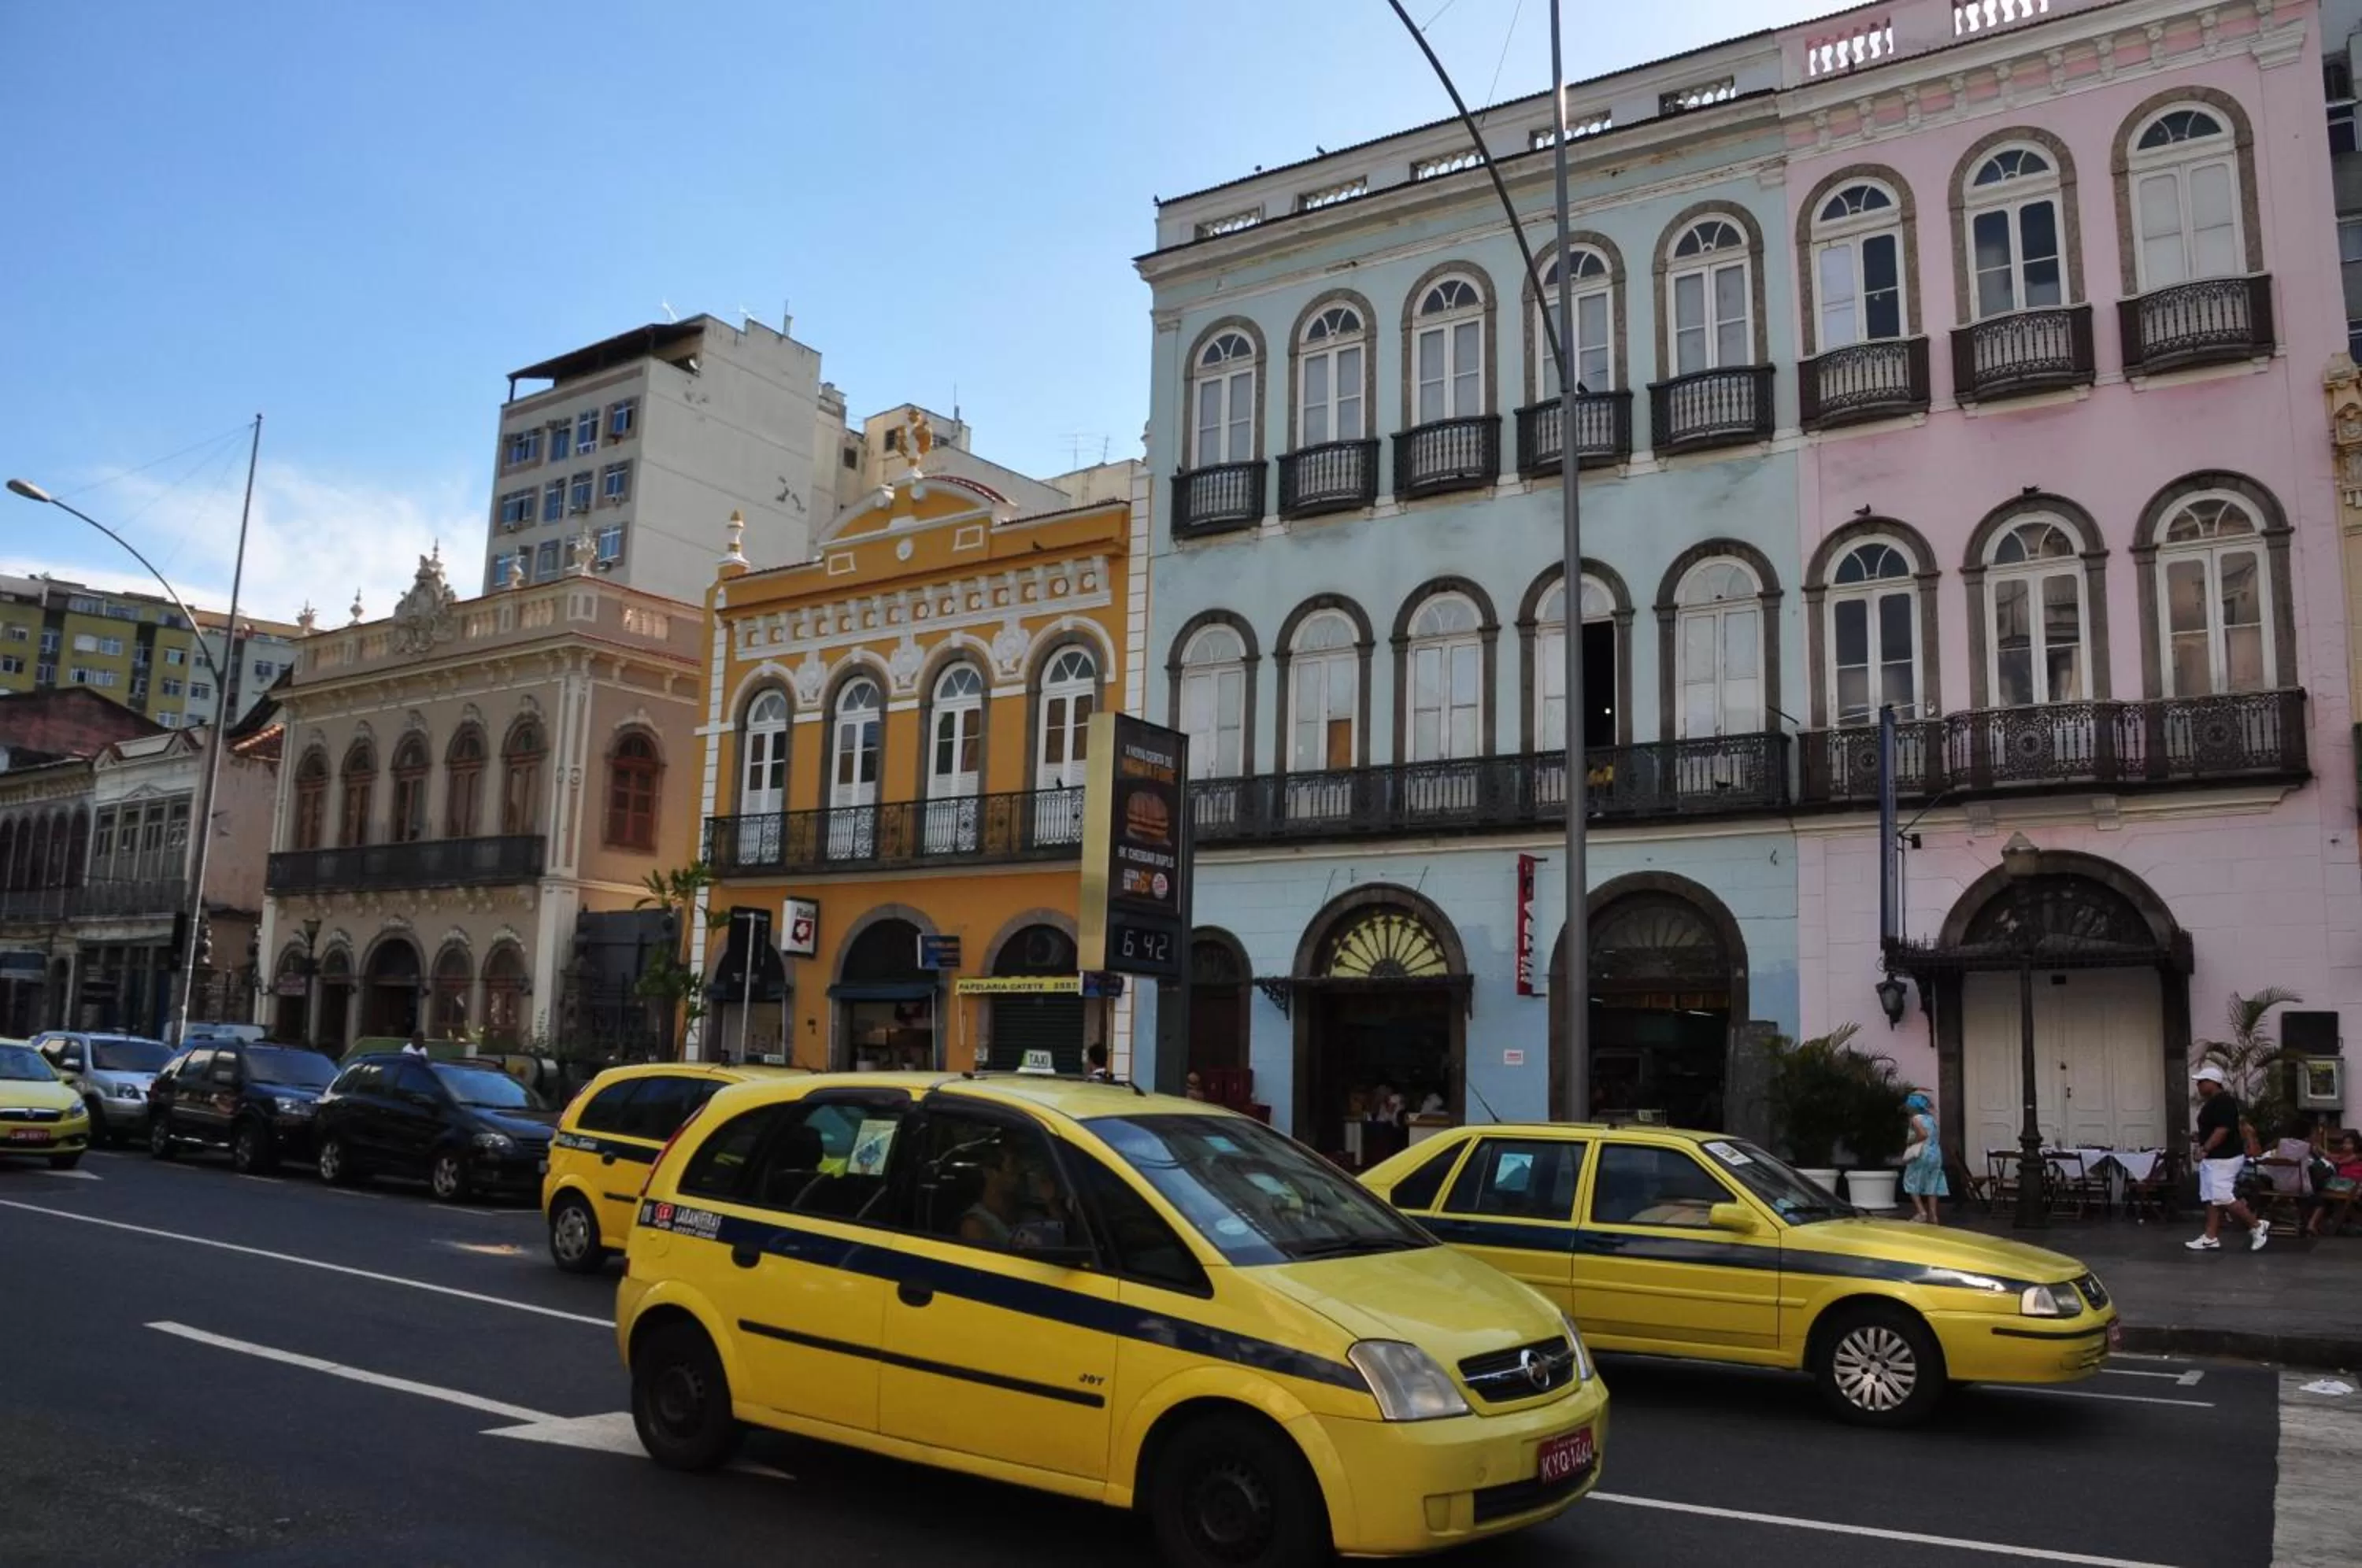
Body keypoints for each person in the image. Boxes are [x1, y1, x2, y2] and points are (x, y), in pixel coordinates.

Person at [2187, 1064, 2269, 1252]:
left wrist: (2205, 1148)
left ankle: (2257, 1226)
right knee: (2210, 1197)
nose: (2198, 1086)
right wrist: (2201, 1138)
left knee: (2222, 1196)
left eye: (2201, 1082)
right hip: (2214, 1157)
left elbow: (2223, 1129)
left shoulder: (2223, 1102)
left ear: (2213, 1083)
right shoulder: (2213, 1102)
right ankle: (2210, 1237)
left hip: (2224, 1158)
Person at [1901, 1090, 1948, 1224]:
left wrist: (1911, 1142)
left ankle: (1921, 1212)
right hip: (1936, 1154)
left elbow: (1922, 1135)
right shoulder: (1932, 1120)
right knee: (1932, 1182)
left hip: (1922, 1153)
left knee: (1910, 1181)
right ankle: (1934, 1215)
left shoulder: (1916, 1119)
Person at [2308, 1130, 2362, 1237]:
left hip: (2353, 1185)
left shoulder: (2356, 1156)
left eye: (2349, 1143)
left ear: (2356, 1144)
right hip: (2344, 1184)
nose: (2345, 1146)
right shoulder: (2344, 1155)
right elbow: (2333, 1157)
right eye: (2344, 1143)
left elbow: (2339, 1161)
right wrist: (2322, 1152)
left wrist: (2322, 1151)